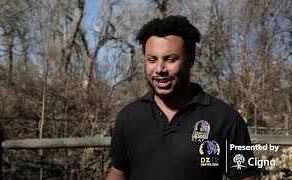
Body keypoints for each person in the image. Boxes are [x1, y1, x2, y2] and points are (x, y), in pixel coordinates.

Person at [107, 15, 258, 180]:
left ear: (191, 59)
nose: (159, 69)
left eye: (170, 59)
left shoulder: (226, 119)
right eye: (152, 59)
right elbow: (117, 172)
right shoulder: (128, 117)